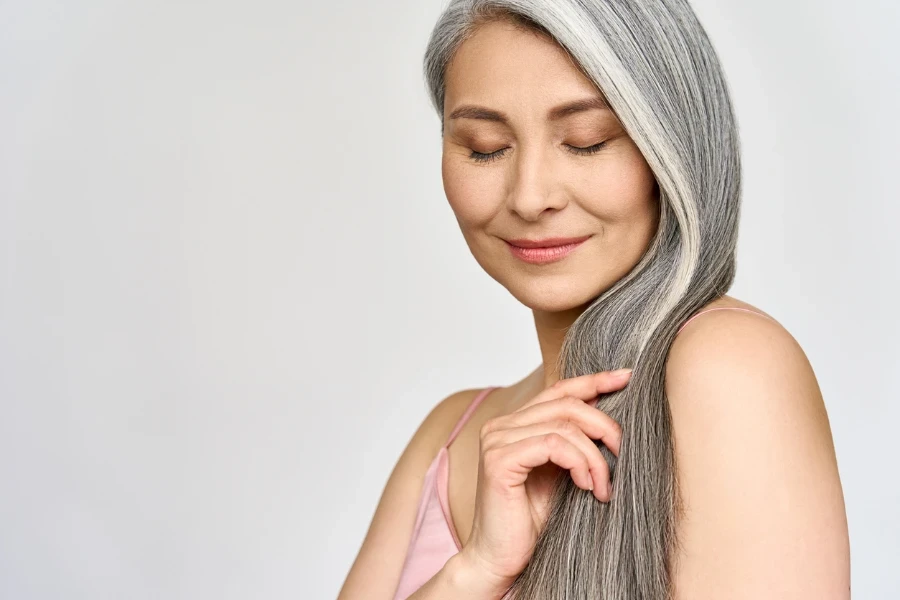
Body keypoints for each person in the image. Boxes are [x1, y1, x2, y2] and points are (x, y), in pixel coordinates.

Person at [337, 1, 850, 599]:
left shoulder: (730, 366)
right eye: (485, 147)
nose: (530, 197)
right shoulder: (452, 434)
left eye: (586, 141)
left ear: (671, 146)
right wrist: (473, 571)